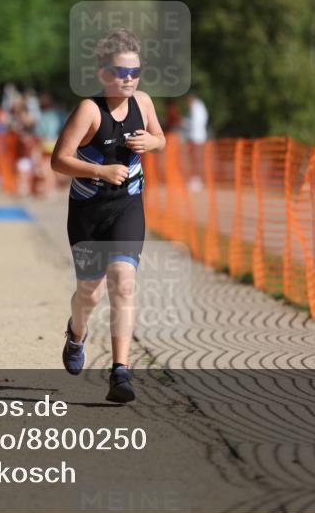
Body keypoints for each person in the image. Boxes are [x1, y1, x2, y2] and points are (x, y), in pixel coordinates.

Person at [50, 28, 166, 403]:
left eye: (136, 71)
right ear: (103, 73)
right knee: (90, 292)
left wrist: (153, 142)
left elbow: (160, 138)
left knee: (124, 281)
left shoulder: (144, 103)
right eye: (121, 72)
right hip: (87, 211)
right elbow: (58, 160)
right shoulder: (89, 110)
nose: (129, 79)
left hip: (128, 206)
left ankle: (121, 373)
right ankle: (76, 333)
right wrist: (100, 172)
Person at [184, 93, 208, 190]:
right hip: (197, 137)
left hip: (196, 137)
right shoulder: (199, 106)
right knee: (195, 159)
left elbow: (195, 123)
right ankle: (196, 179)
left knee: (196, 159)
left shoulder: (196, 107)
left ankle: (197, 180)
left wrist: (184, 123)